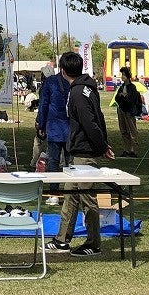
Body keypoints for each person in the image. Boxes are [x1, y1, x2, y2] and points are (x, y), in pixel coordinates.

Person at [48, 51, 115, 257]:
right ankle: (62, 239)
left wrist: (102, 145)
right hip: (78, 151)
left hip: (85, 152)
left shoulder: (79, 92)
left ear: (63, 70)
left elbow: (90, 122)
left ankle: (94, 242)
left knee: (87, 198)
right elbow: (98, 118)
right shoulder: (87, 88)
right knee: (70, 196)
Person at [34, 64, 70, 205]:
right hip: (69, 127)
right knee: (69, 163)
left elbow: (43, 105)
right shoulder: (75, 81)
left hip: (55, 127)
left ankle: (54, 193)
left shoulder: (50, 83)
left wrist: (41, 124)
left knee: (54, 162)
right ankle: (70, 194)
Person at [113, 66, 142, 157]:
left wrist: (125, 97)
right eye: (122, 75)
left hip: (129, 112)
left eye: (124, 75)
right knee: (124, 131)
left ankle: (134, 150)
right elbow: (116, 98)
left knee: (132, 131)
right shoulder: (122, 87)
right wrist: (121, 96)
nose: (122, 77)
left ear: (128, 76)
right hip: (121, 110)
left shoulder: (132, 87)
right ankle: (127, 149)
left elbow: (131, 100)